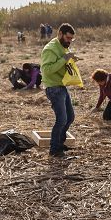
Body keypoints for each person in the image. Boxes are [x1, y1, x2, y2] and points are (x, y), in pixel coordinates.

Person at [40, 23, 78, 157]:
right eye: (68, 38)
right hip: (53, 88)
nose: (69, 41)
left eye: (71, 39)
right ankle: (54, 149)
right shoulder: (50, 49)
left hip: (61, 86)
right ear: (60, 34)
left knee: (70, 117)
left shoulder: (63, 47)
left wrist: (70, 60)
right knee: (61, 119)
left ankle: (60, 144)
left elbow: (63, 63)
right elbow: (47, 70)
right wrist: (64, 59)